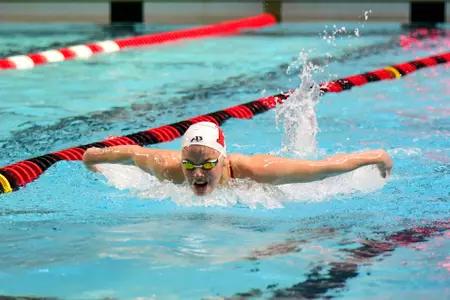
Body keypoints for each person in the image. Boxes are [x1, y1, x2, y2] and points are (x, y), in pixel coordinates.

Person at [83, 122, 393, 196]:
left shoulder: (256, 170)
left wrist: (373, 156)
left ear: (223, 160)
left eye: (207, 164)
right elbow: (132, 152)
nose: (197, 173)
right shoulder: (170, 169)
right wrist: (92, 158)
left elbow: (321, 169)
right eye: (189, 163)